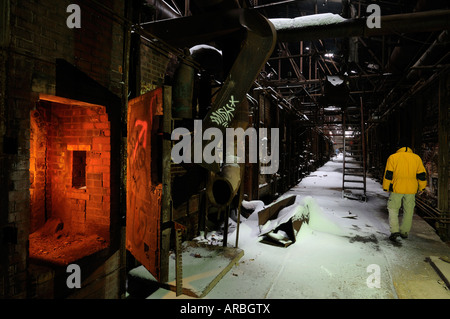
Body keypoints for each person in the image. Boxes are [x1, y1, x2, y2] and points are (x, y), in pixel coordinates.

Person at [382, 142, 427, 242]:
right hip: (411, 189)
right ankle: (404, 231)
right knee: (409, 210)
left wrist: (386, 187)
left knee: (393, 208)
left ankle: (394, 231)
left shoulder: (393, 157)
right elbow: (421, 174)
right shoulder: (416, 158)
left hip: (397, 188)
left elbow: (388, 174)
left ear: (399, 147)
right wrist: (422, 187)